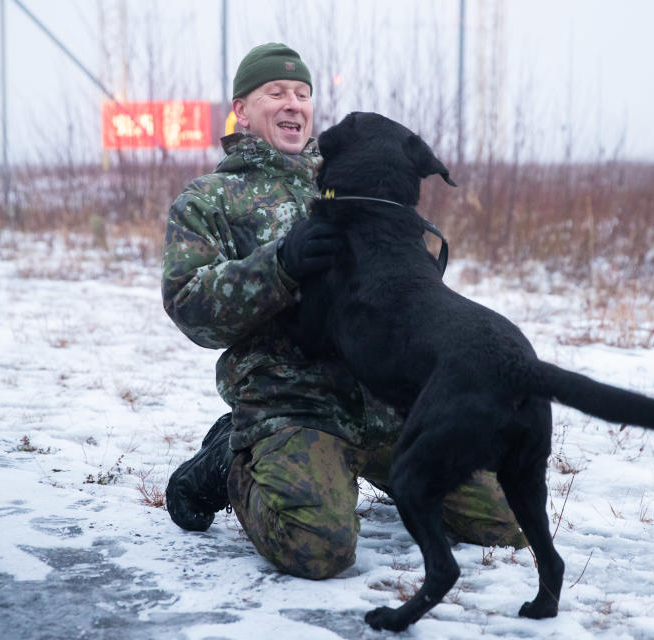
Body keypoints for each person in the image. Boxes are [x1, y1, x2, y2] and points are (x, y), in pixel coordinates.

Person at [161, 42, 527, 580]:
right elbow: (190, 305)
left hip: (383, 398)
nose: (293, 104)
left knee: (509, 522)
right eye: (276, 92)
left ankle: (343, 464)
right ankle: (230, 460)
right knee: (319, 548)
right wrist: (279, 264)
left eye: (302, 94)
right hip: (291, 402)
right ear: (242, 108)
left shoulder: (355, 180)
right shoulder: (211, 200)